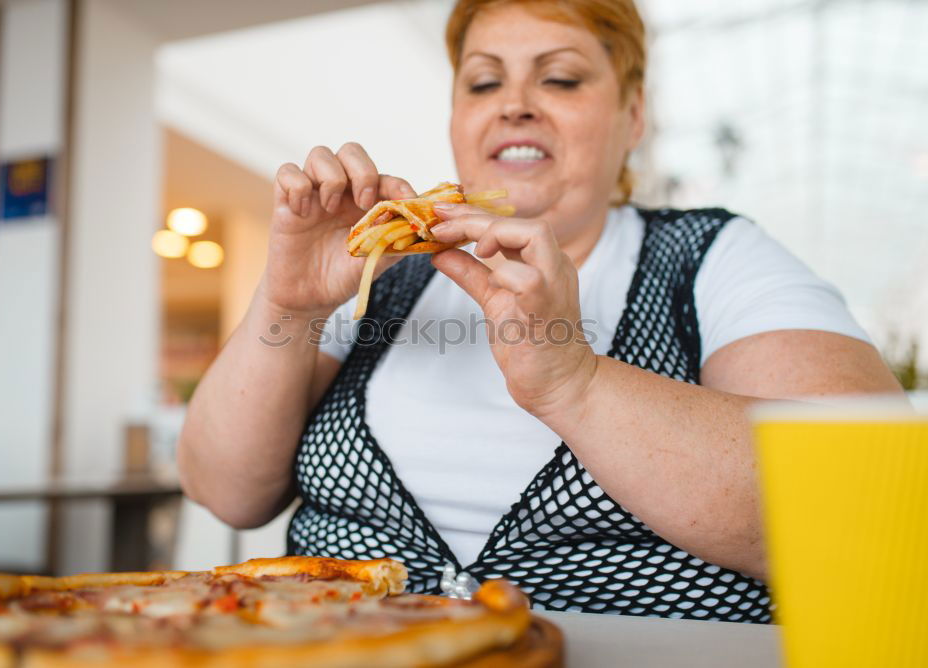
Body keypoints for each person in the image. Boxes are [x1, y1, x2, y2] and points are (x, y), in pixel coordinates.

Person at [177, 0, 901, 622]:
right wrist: (289, 305)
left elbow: (873, 509)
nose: (513, 102)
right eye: (483, 81)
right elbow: (227, 492)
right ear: (457, 116)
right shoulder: (378, 274)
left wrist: (573, 382)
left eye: (560, 77)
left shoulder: (713, 256)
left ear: (633, 113)